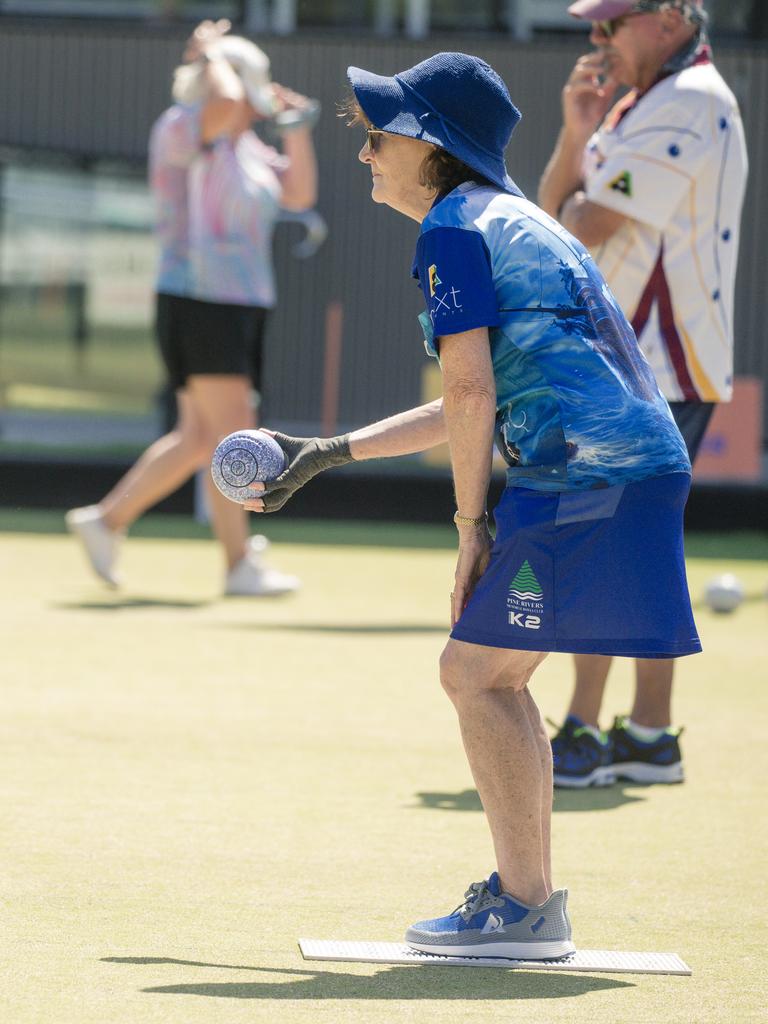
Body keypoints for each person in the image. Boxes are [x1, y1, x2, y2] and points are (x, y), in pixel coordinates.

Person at [240, 52, 699, 958]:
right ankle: (530, 905)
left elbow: (468, 396)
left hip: (584, 480)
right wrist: (328, 453)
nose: (366, 153)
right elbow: (470, 392)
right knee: (495, 674)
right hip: (600, 473)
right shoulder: (501, 218)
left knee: (472, 673)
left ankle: (525, 910)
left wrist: (469, 529)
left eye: (379, 136)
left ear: (430, 144)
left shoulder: (454, 227)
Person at [538, 0, 747, 787]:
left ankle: (587, 732)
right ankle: (651, 734)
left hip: (653, 362)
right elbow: (549, 212)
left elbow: (577, 224)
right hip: (646, 361)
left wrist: (563, 204)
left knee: (605, 534)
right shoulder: (643, 98)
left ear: (665, 18)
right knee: (642, 542)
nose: (597, 39)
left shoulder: (690, 100)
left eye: (609, 23)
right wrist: (573, 129)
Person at [66, 19, 319, 596]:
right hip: (201, 298)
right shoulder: (184, 126)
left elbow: (299, 194)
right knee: (232, 434)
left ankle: (105, 522)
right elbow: (228, 99)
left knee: (201, 438)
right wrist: (212, 53)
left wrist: (296, 129)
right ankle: (238, 565)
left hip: (239, 301)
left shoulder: (245, 145)